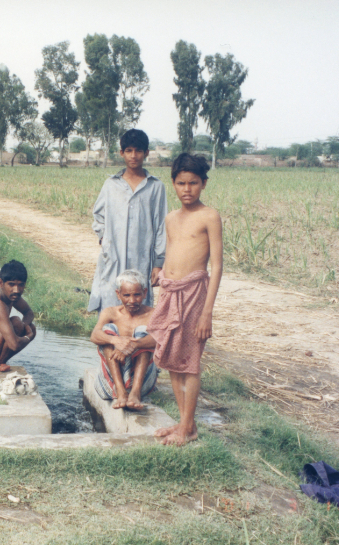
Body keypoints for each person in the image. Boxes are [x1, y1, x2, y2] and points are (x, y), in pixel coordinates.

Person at [147, 153, 223, 446]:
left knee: (189, 362)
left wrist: (207, 313)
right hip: (170, 293)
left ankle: (188, 427)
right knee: (172, 359)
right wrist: (161, 275)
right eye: (181, 183)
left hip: (194, 295)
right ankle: (184, 423)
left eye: (193, 183)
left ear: (204, 184)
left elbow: (217, 266)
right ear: (173, 184)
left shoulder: (209, 216)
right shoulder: (171, 218)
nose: (187, 189)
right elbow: (170, 253)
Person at [88, 128, 167, 312]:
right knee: (110, 304)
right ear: (121, 153)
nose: (133, 156)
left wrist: (158, 264)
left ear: (146, 153)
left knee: (139, 307)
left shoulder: (155, 187)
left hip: (142, 258)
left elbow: (161, 226)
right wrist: (104, 239)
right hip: (113, 257)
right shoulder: (111, 185)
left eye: (138, 150)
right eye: (129, 150)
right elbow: (98, 215)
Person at [90, 270, 159, 410]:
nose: (132, 301)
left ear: (145, 293)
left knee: (142, 332)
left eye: (137, 295)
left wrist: (133, 344)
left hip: (142, 379)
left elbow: (161, 339)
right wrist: (116, 341)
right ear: (118, 294)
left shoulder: (153, 314)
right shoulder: (111, 312)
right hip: (113, 380)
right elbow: (94, 335)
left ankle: (135, 393)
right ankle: (121, 391)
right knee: (107, 330)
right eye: (126, 295)